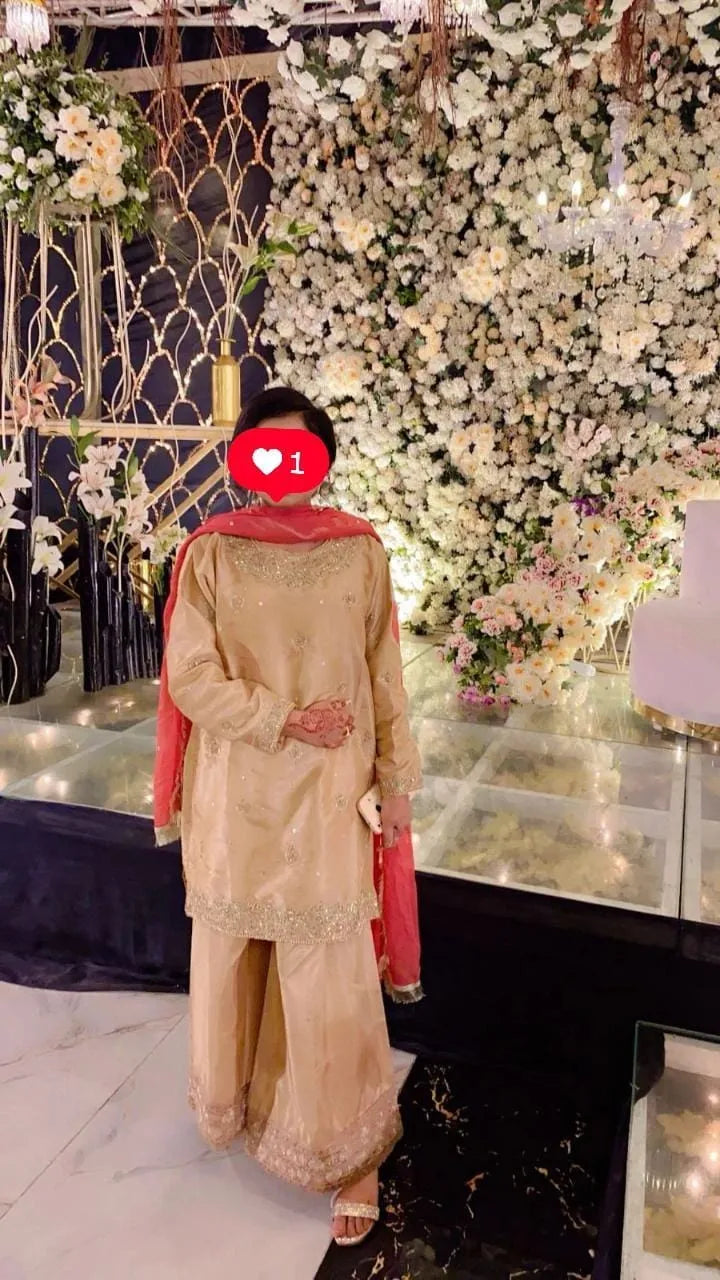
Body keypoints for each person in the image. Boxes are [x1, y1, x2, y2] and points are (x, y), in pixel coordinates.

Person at [153, 387, 422, 1247]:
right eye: (263, 449)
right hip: (239, 788)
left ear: (324, 458)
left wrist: (397, 778)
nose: (280, 465)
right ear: (242, 458)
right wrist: (284, 718)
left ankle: (348, 1151)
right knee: (236, 948)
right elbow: (190, 677)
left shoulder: (360, 551)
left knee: (325, 964)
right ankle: (243, 1105)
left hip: (331, 793)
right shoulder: (211, 551)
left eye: (296, 449)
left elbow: (383, 670)